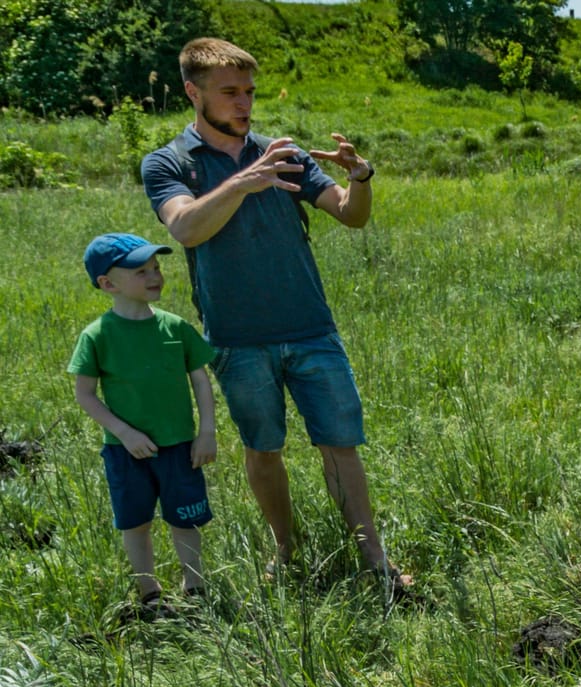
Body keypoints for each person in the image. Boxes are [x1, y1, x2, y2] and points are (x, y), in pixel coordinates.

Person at [140, 37, 410, 593]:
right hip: (238, 340)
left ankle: (374, 561)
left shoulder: (283, 152)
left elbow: (348, 215)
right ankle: (286, 550)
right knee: (263, 449)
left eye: (250, 93)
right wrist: (245, 179)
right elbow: (186, 227)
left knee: (340, 444)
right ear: (193, 92)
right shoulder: (169, 163)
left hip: (311, 328)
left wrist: (360, 180)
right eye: (230, 93)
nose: (244, 104)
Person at [70, 233, 218, 618]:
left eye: (156, 268)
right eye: (141, 271)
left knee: (185, 519)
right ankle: (149, 593)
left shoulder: (175, 327)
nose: (155, 276)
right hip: (126, 451)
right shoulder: (97, 336)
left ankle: (195, 586)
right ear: (107, 283)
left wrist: (206, 431)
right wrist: (125, 433)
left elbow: (200, 380)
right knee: (135, 522)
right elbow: (85, 394)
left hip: (180, 446)